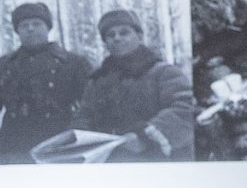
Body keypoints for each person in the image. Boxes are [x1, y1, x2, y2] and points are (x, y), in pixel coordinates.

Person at [0, 1, 92, 162]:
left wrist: (76, 136)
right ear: (17, 30)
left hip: (57, 145)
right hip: (12, 148)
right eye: (24, 25)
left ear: (48, 28)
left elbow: (89, 107)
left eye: (37, 23)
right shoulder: (2, 65)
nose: (30, 28)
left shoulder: (74, 63)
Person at [74, 9, 194, 160]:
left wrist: (145, 136)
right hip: (109, 161)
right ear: (105, 42)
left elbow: (185, 108)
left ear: (139, 36)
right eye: (110, 35)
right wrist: (78, 139)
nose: (117, 38)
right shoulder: (97, 80)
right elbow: (84, 115)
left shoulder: (163, 72)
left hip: (157, 160)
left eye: (124, 32)